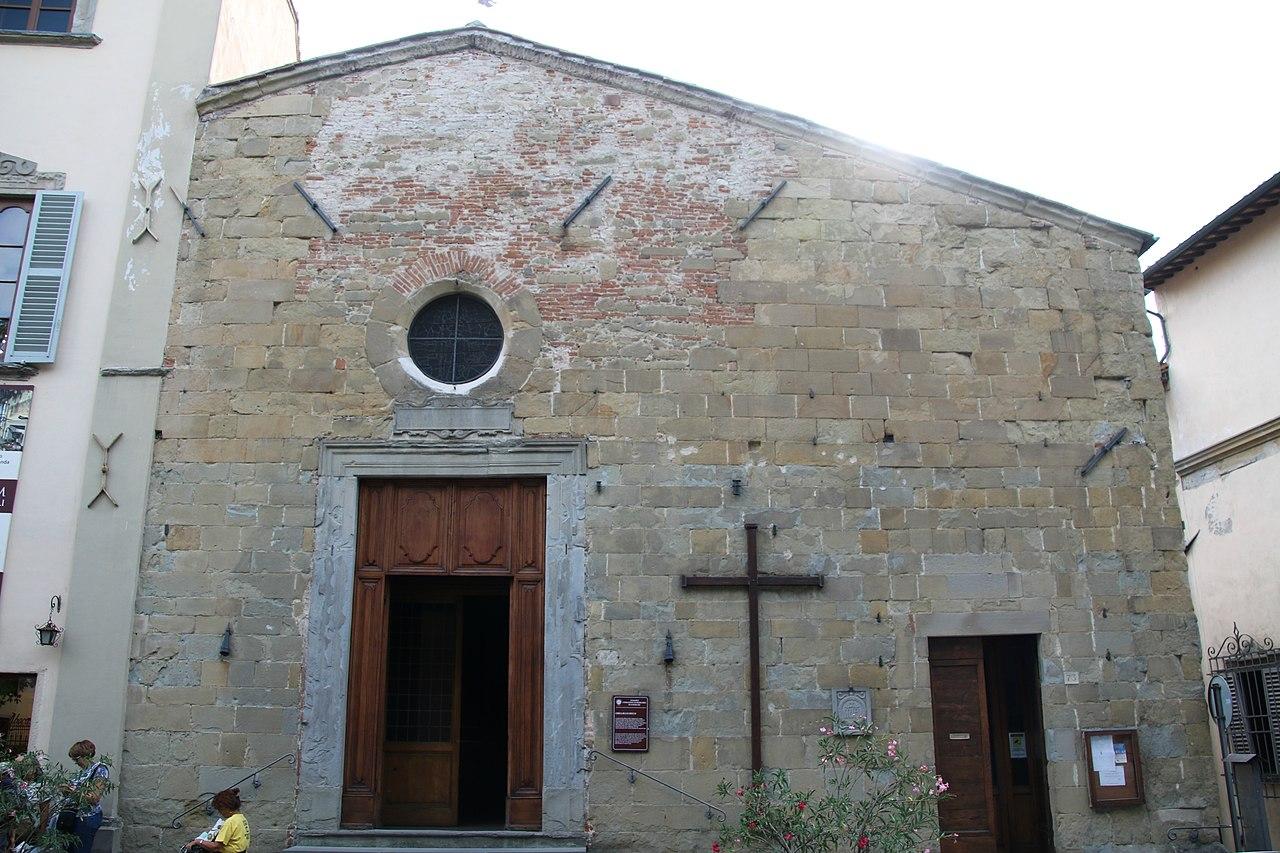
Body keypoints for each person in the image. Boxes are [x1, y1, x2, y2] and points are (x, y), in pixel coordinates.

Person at [60, 740, 109, 853]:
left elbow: (94, 797)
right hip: (73, 816)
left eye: (76, 759)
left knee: (80, 849)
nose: (76, 763)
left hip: (87, 817)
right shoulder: (82, 773)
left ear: (84, 756)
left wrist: (73, 791)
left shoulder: (100, 769)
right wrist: (65, 790)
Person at [185, 788, 249, 853]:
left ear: (225, 808)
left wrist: (198, 841)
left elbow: (216, 847)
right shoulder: (241, 818)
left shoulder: (230, 822)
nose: (220, 813)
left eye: (220, 810)